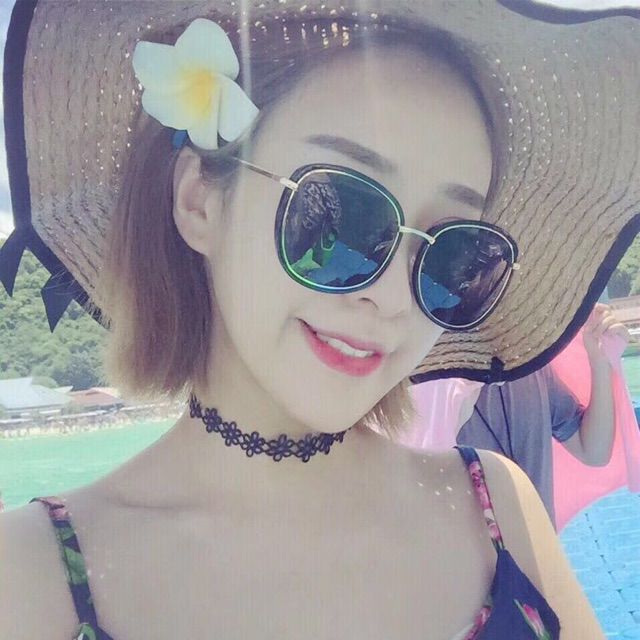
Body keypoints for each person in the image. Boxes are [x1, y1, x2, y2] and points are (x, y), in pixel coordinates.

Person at [1, 1, 640, 639]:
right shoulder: (30, 576)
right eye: (341, 216)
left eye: (454, 253)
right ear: (201, 200)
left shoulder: (497, 507)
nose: (393, 299)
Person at [456, 304, 631, 526]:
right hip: (466, 546)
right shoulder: (432, 389)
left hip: (541, 543)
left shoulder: (533, 370)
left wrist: (600, 361)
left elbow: (593, 451)